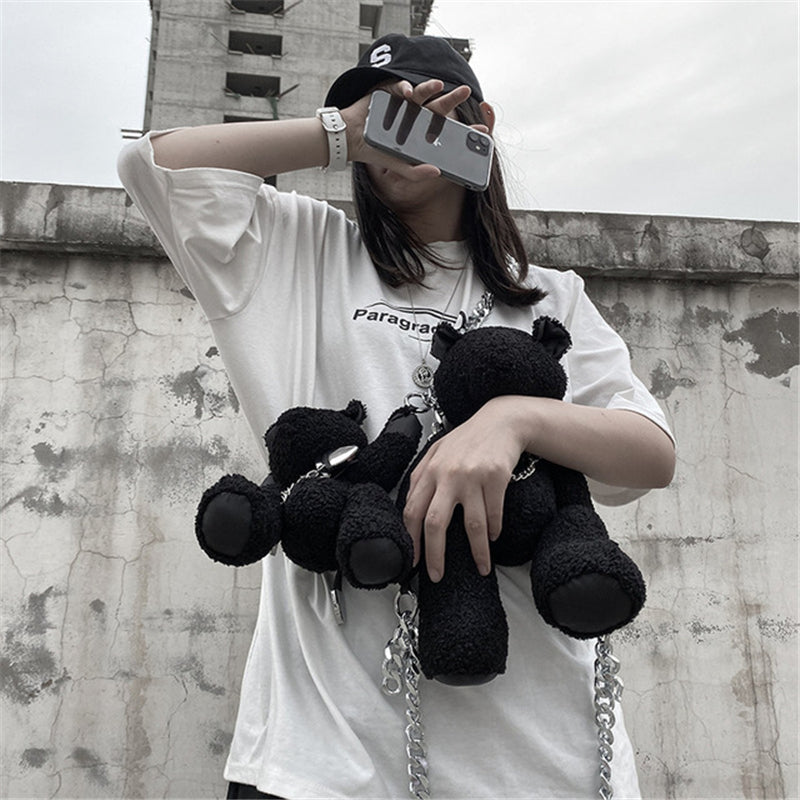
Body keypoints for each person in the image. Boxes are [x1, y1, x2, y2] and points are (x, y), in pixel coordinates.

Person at [118, 33, 675, 800]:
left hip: (541, 757)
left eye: (425, 105)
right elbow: (153, 164)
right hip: (322, 757)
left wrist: (513, 420)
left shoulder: (551, 296)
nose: (402, 123)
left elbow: (650, 452)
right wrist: (341, 133)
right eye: (384, 109)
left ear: (479, 123)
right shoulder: (302, 251)